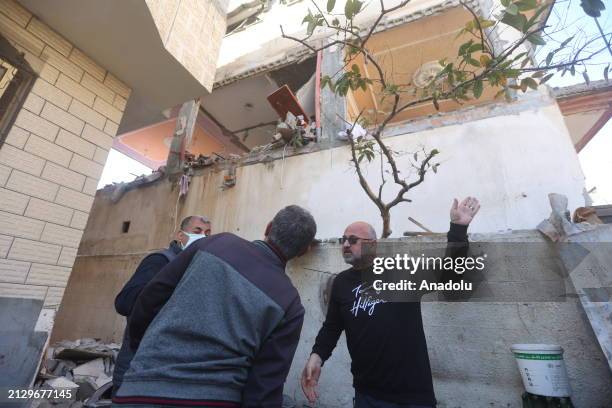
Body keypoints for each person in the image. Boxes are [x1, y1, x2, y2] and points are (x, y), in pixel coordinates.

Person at [112, 205, 317, 408]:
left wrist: (147, 355)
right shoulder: (289, 302)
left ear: (268, 227)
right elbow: (264, 386)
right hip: (214, 398)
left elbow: (150, 299)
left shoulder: (216, 244)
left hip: (140, 390)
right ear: (303, 251)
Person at [301, 197, 481, 408]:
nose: (346, 244)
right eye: (343, 240)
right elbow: (332, 327)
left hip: (412, 395)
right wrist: (317, 356)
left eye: (353, 239)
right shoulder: (341, 283)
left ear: (373, 245)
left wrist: (458, 229)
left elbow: (450, 276)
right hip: (366, 394)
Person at [111, 215, 212, 396]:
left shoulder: (196, 269)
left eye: (207, 233)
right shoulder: (160, 261)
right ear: (181, 236)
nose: (203, 237)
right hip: (137, 368)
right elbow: (125, 303)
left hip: (169, 371)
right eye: (197, 231)